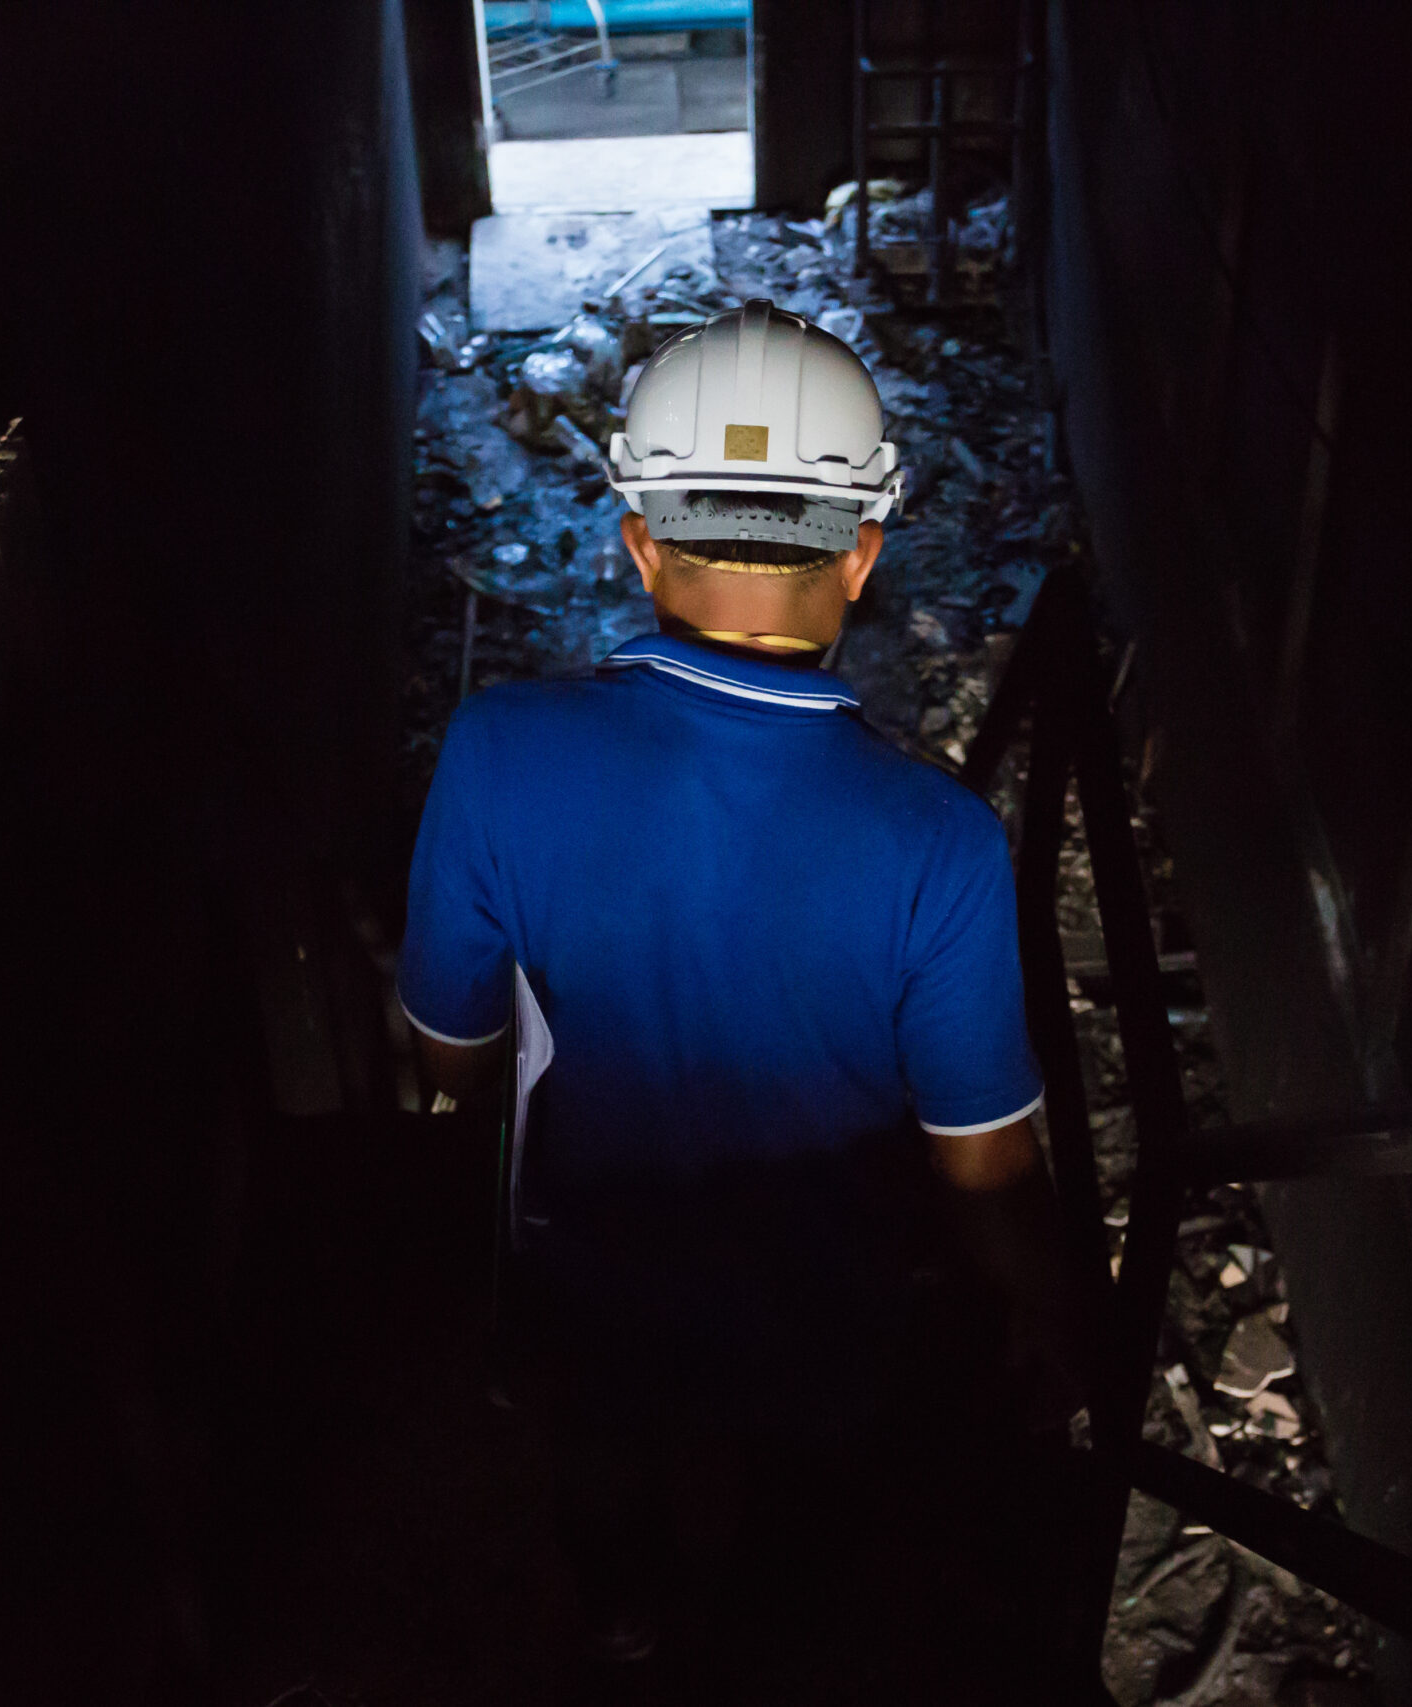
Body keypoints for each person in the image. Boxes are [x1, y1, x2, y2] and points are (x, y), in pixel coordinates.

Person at [398, 301, 1086, 1699]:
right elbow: (985, 1169)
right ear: (867, 554)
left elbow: (452, 1057)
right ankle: (765, 1640)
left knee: (604, 1455)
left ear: (640, 542)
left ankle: (620, 1626)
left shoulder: (495, 754)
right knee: (803, 1515)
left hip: (590, 1281)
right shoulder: (939, 843)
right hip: (823, 1320)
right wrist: (1059, 1319)